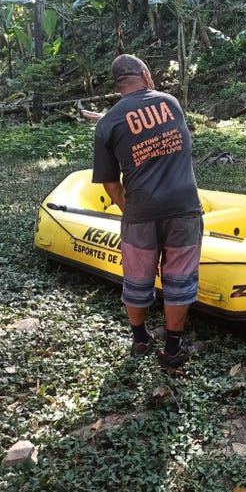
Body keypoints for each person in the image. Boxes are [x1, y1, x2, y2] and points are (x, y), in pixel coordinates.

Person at [91, 54, 203, 370]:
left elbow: (111, 185)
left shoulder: (107, 123)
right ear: (145, 74)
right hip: (183, 208)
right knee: (179, 278)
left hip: (139, 211)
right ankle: (172, 348)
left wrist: (131, 211)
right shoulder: (171, 103)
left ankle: (140, 340)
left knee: (137, 279)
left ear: (118, 84)